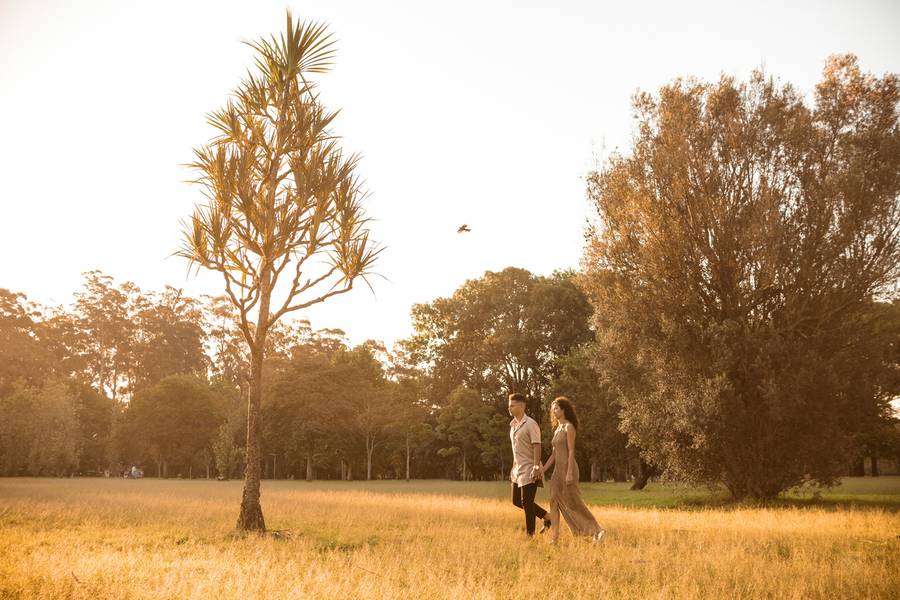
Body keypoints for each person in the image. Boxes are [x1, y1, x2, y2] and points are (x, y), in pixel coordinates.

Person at [540, 396, 605, 544]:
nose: (554, 411)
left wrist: (569, 472)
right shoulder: (557, 429)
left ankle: (597, 530)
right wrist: (543, 469)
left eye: (556, 408)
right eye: (553, 409)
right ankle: (554, 538)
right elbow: (554, 454)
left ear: (563, 410)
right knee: (553, 502)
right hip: (557, 471)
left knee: (573, 502)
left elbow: (571, 451)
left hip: (568, 469)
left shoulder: (569, 427)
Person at [507, 393, 551, 536]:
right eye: (509, 405)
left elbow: (537, 445)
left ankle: (529, 536)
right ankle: (547, 516)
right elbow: (515, 450)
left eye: (512, 405)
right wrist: (512, 468)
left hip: (530, 468)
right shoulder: (513, 426)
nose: (509, 407)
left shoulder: (531, 424)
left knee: (526, 501)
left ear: (521, 406)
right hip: (517, 469)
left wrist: (536, 466)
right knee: (516, 501)